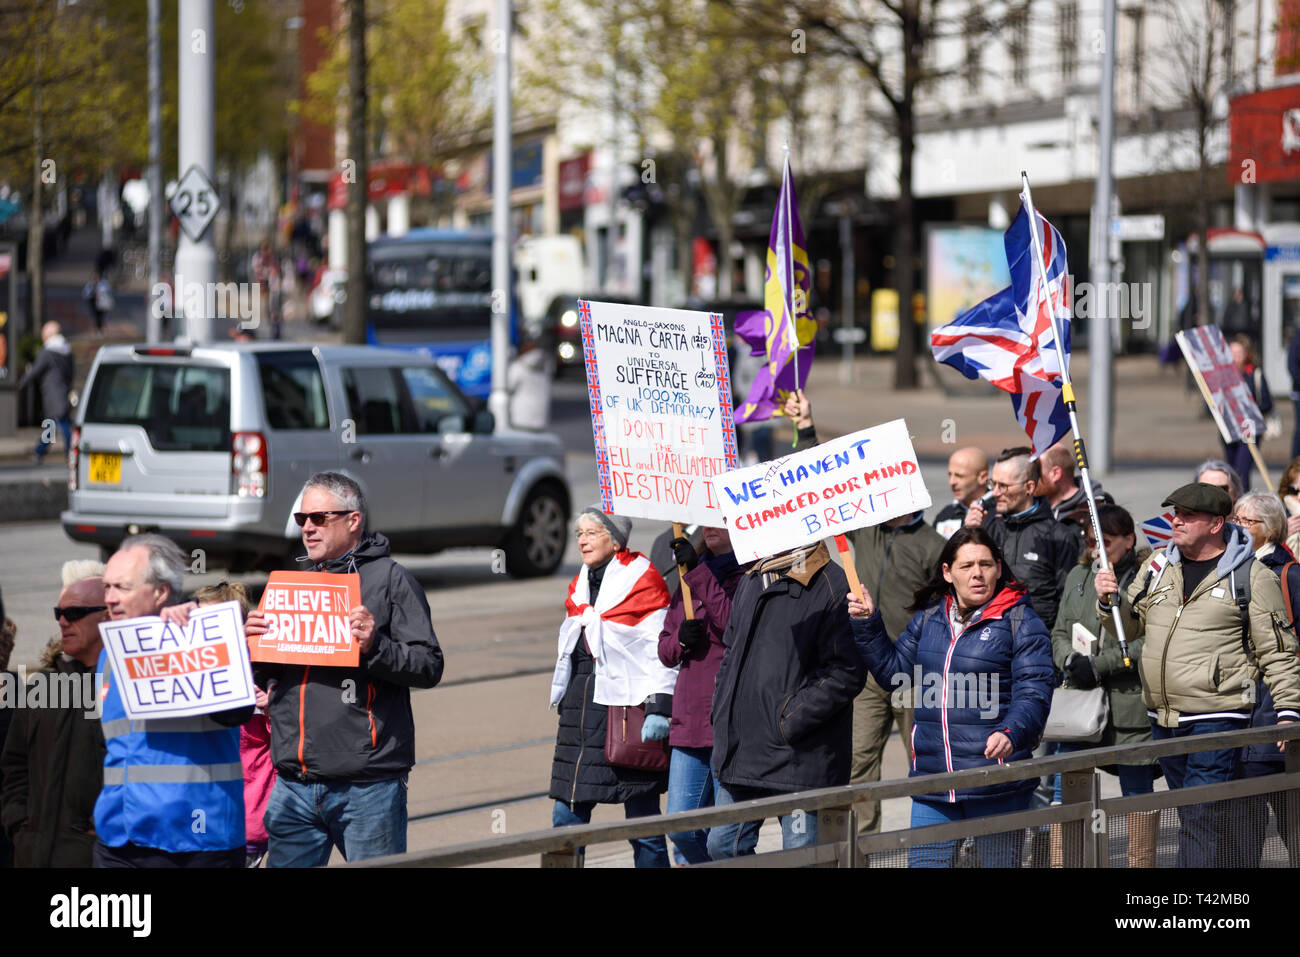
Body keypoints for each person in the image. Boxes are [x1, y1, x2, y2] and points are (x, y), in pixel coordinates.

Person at [1096, 482, 1300, 867]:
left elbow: (1278, 651)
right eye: (1176, 513)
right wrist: (1108, 602)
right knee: (1195, 814)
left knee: (1199, 815)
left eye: (1188, 515)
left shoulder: (1253, 577)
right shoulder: (1157, 566)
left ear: (1216, 523)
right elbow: (1129, 628)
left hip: (1217, 717)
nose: (1177, 521)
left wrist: (1288, 711)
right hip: (1164, 717)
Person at [244, 472, 444, 867]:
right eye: (302, 519)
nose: (308, 528)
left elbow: (428, 664)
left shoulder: (390, 579)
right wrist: (255, 655)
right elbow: (277, 672)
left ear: (353, 520)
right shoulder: (294, 586)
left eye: (319, 518)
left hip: (366, 785)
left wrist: (375, 646)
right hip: (293, 782)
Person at [848, 527, 1055, 868]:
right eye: (967, 565)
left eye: (986, 564)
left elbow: (1034, 691)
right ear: (947, 572)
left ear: (999, 568)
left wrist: (1011, 732)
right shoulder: (929, 617)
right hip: (934, 781)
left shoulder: (1021, 620)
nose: (977, 573)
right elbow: (893, 673)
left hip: (995, 781)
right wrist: (867, 622)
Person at [94, 534, 252, 867]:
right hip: (120, 838)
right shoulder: (107, 654)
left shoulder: (201, 638)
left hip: (198, 842)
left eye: (121, 587)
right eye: (106, 587)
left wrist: (195, 627)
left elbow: (237, 711)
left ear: (160, 592)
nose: (109, 598)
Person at [549, 507, 675, 868]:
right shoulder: (579, 586)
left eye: (591, 532)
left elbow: (657, 648)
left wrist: (659, 706)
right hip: (581, 717)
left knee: (645, 826)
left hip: (628, 713)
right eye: (579, 534)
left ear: (615, 539)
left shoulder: (643, 579)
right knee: (566, 822)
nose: (582, 540)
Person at [1048, 505, 1158, 868]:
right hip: (1079, 705)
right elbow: (1060, 631)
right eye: (1092, 541)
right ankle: (1068, 864)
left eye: (1106, 542)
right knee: (1070, 796)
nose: (1097, 550)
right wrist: (1069, 662)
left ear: (1129, 540)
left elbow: (1150, 641)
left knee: (1137, 796)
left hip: (1130, 709)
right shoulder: (1078, 575)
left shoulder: (1147, 577)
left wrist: (1099, 665)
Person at [1, 563, 108, 867]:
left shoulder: (127, 688)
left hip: (96, 863)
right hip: (32, 855)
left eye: (73, 614)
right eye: (57, 613)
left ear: (108, 616)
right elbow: (14, 766)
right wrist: (20, 825)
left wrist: (104, 830)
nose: (62, 622)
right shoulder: (42, 686)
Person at [846, 508, 944, 835]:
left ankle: (933, 844)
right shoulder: (867, 529)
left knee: (924, 762)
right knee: (858, 761)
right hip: (869, 672)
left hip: (913, 675)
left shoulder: (933, 545)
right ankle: (860, 850)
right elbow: (835, 507)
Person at [656, 525, 746, 865]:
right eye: (705, 519)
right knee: (681, 827)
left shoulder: (749, 575)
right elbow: (664, 650)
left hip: (727, 719)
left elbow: (734, 625)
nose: (710, 527)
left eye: (719, 519)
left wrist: (698, 572)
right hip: (688, 720)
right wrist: (679, 640)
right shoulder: (685, 577)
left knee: (724, 832)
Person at [1228, 491, 1300, 865]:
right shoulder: (1235, 568)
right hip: (1246, 717)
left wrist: (1289, 710)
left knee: (1290, 827)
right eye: (1235, 520)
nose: (1235, 527)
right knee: (1242, 834)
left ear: (1269, 529)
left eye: (1244, 521)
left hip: (1275, 719)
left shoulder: (1287, 575)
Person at [194, 580, 271, 869]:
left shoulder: (261, 671)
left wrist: (271, 707)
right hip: (195, 825)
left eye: (214, 623)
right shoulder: (187, 675)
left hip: (245, 827)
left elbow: (291, 745)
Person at [965, 446, 1082, 630]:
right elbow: (960, 582)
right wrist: (969, 534)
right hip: (988, 637)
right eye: (992, 484)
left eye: (1003, 486)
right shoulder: (986, 527)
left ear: (1029, 487)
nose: (995, 493)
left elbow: (1069, 603)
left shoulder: (1059, 536)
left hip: (1038, 641)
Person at [17, 321, 74, 464]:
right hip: (62, 392)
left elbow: (34, 372)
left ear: (48, 335)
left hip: (52, 394)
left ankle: (70, 451)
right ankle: (40, 450)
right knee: (53, 424)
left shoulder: (47, 353)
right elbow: (72, 372)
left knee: (62, 424)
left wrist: (19, 385)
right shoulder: (66, 351)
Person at [1223, 335, 1272, 493]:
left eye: (1239, 353)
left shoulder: (1255, 374)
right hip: (1229, 430)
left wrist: (1248, 410)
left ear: (1247, 354)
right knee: (1230, 473)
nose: (1235, 357)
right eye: (1232, 353)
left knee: (1242, 472)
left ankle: (1244, 508)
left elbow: (1267, 403)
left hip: (1249, 431)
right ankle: (1232, 507)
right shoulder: (1223, 375)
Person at [1037, 439, 1112, 527]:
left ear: (1056, 474)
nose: (1030, 480)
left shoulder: (1096, 513)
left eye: (1036, 472)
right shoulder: (1032, 509)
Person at [933, 447, 989, 539]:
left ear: (982, 477)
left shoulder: (999, 514)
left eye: (959, 476)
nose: (952, 482)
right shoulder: (945, 515)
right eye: (950, 475)